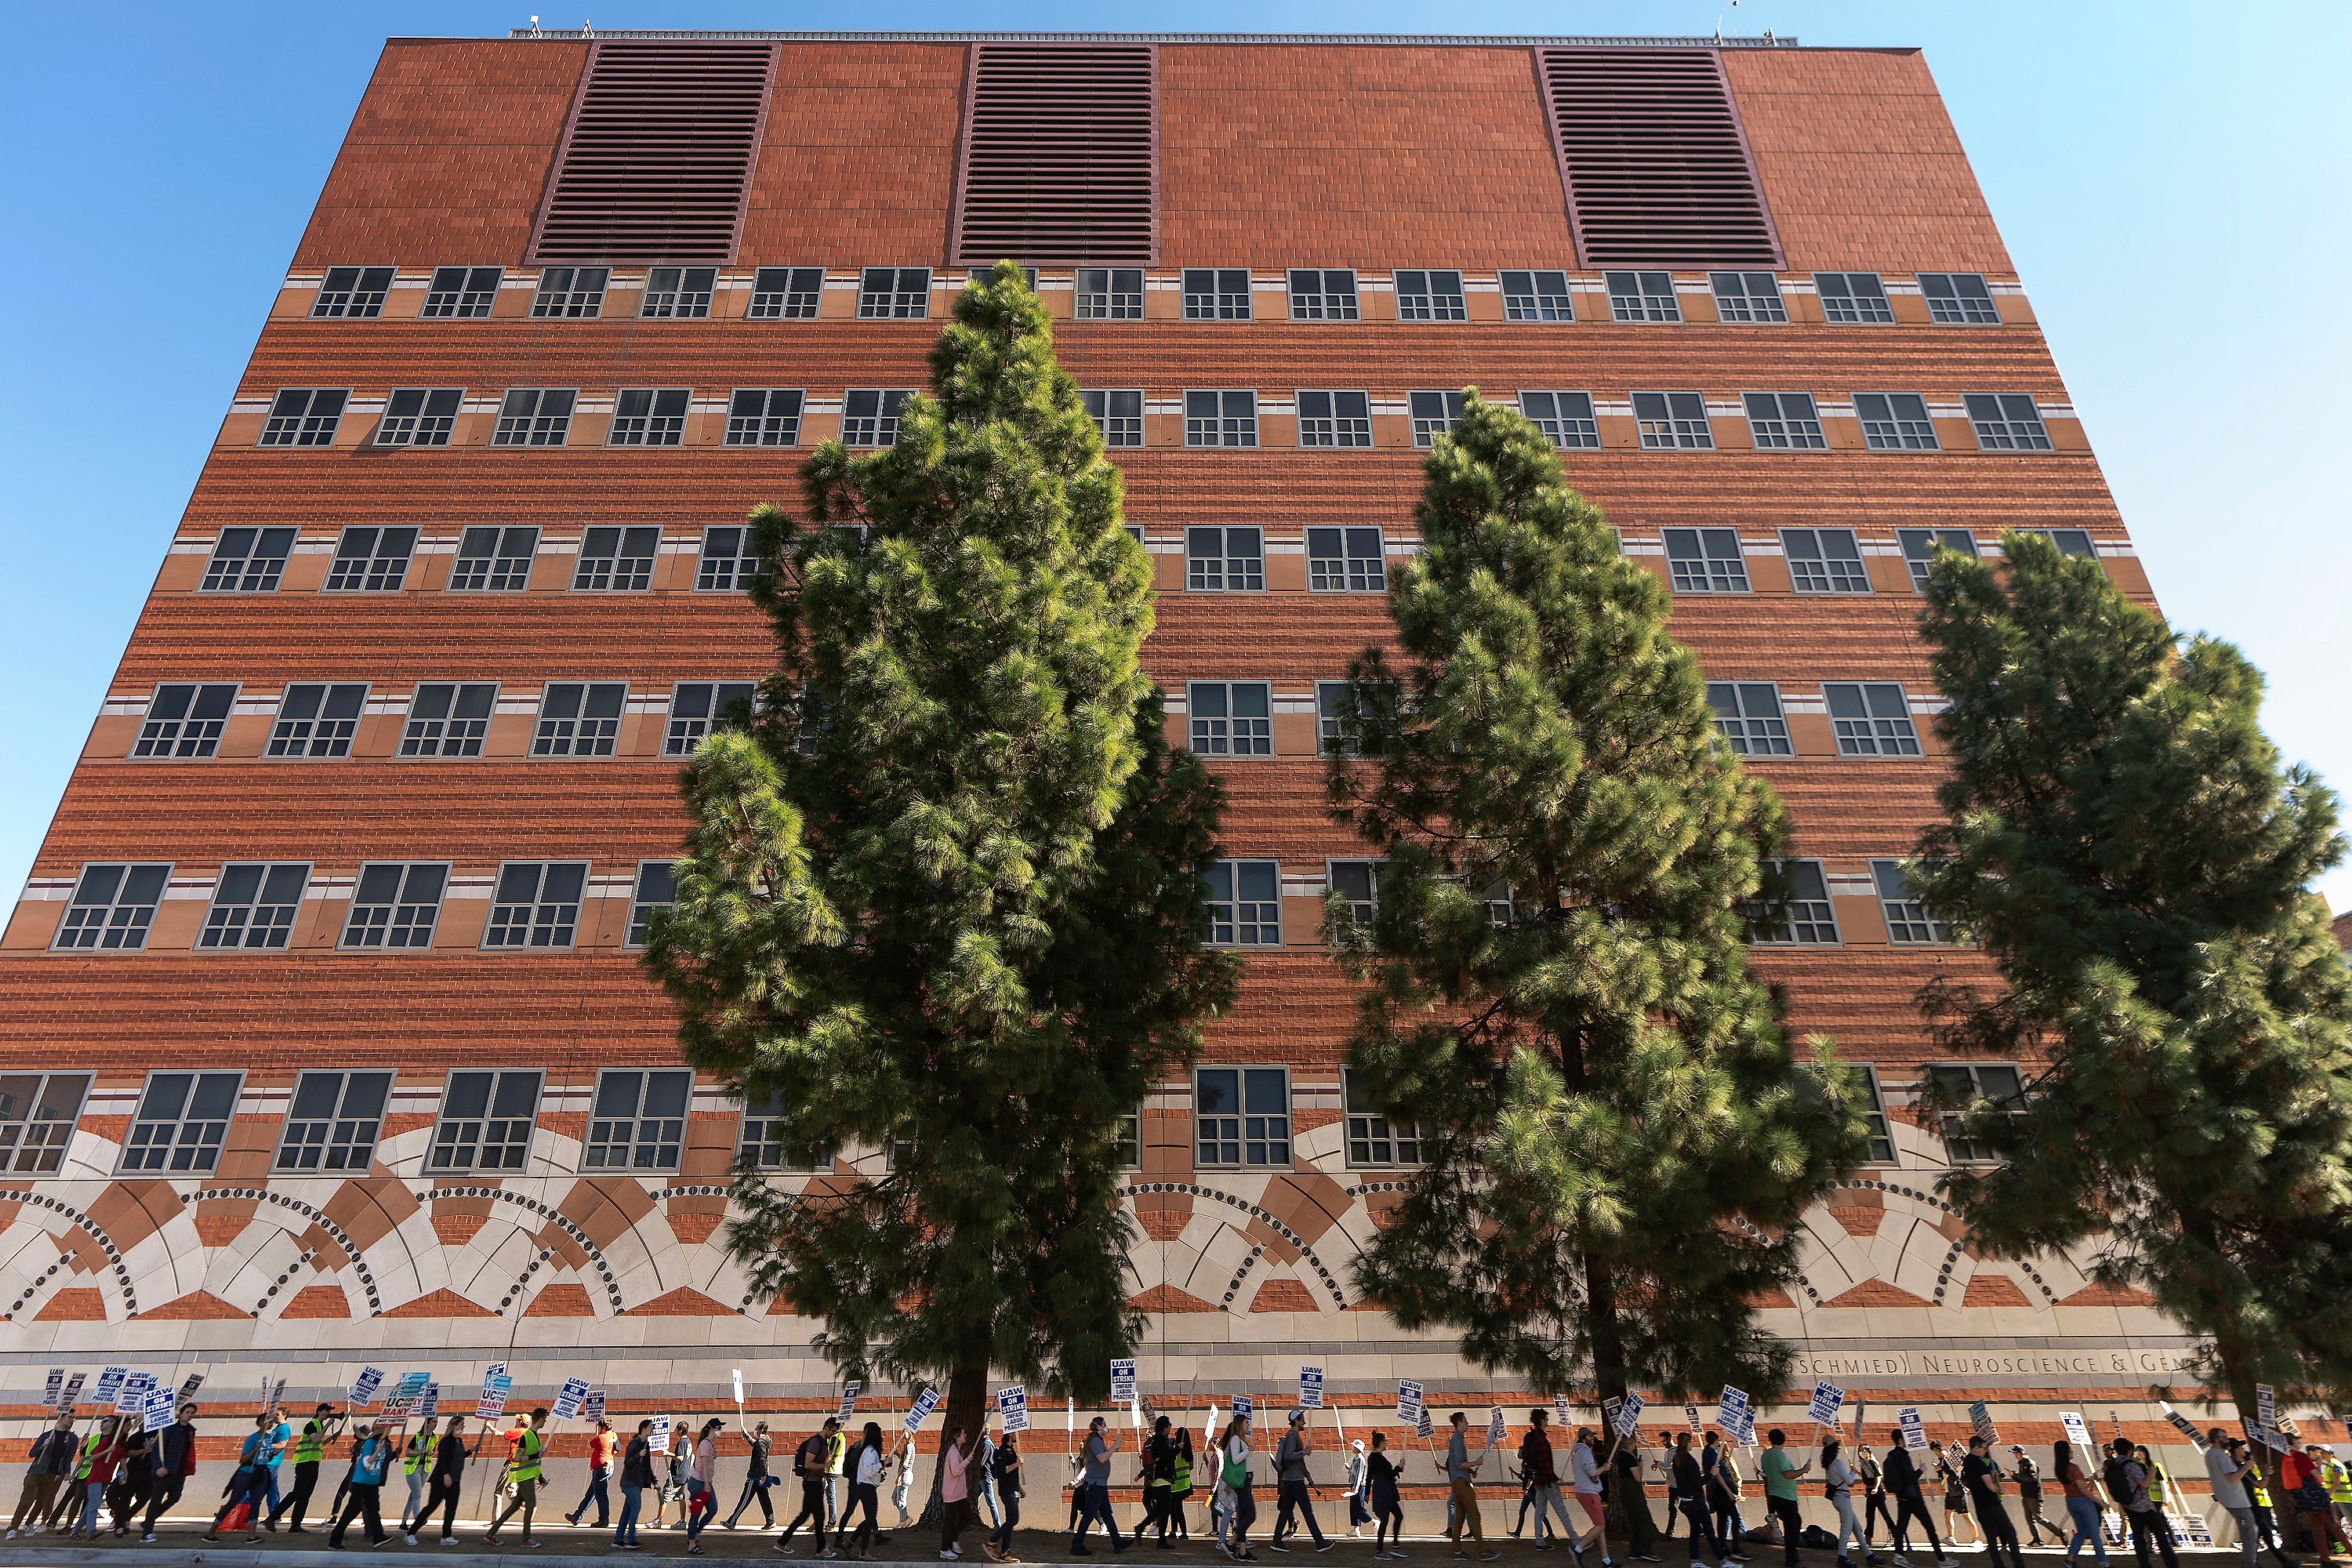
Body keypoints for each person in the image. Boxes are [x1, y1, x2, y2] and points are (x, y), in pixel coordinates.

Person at [2205, 1432, 2283, 1568]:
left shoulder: (2211, 1455)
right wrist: (2245, 1468)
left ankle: (2260, 1561)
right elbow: (2233, 1478)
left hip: (2234, 1500)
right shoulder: (2224, 1458)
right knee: (2250, 1535)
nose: (2226, 1439)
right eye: (2223, 1437)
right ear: (2216, 1439)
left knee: (2255, 1534)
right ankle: (2250, 1564)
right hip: (2239, 1501)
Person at [264, 1402, 344, 1534]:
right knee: (297, 1492)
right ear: (319, 1412)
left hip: (313, 1462)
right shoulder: (312, 1424)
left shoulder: (319, 1425)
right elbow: (315, 1440)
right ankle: (272, 1517)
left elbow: (320, 1443)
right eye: (326, 1411)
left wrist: (333, 1437)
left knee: (305, 1495)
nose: (329, 1413)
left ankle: (296, 1524)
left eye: (329, 1411)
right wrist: (328, 1426)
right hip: (304, 1463)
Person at [205, 1411, 281, 1542]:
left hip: (261, 1473)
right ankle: (211, 1532)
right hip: (247, 1473)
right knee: (234, 1501)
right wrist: (255, 1449)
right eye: (265, 1420)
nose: (269, 1423)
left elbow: (265, 1456)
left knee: (256, 1503)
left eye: (270, 1421)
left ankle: (251, 1535)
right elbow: (243, 1459)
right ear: (259, 1423)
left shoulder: (269, 1438)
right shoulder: (252, 1439)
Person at [2102, 1436, 2177, 1568]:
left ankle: (2144, 1564)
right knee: (2160, 1536)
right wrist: (2151, 1472)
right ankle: (2172, 1564)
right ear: (2129, 1450)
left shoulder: (2113, 1466)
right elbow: (2144, 1484)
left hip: (2128, 1506)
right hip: (2144, 1506)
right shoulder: (2131, 1465)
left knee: (2138, 1537)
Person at [1879, 1432, 1951, 1568]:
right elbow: (1909, 1478)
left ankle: (1899, 1555)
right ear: (1900, 1440)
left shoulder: (1892, 1455)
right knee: (1930, 1527)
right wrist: (1920, 1470)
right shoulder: (1903, 1457)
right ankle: (1942, 1559)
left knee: (1900, 1528)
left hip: (1902, 1497)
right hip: (1913, 1497)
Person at [483, 1407, 552, 1546]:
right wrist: (536, 1456)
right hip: (524, 1477)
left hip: (528, 1476)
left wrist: (540, 1478)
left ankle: (491, 1533)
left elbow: (535, 1462)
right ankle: (526, 1538)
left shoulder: (534, 1437)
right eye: (545, 1419)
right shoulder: (526, 1436)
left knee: (514, 1507)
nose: (545, 1422)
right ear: (540, 1419)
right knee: (531, 1505)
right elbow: (518, 1457)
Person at [1269, 1408, 1330, 1552]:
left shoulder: (1293, 1436)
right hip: (1295, 1481)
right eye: (1302, 1420)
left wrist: (1309, 1477)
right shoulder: (1292, 1436)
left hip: (1292, 1480)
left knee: (1285, 1512)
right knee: (1307, 1511)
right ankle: (1320, 1542)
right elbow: (1290, 1456)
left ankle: (1277, 1541)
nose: (1304, 1422)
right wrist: (1304, 1452)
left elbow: (1299, 1462)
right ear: (1296, 1421)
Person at [1958, 1436, 2024, 1568]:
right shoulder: (1979, 1463)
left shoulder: (1967, 1462)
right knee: (2010, 1532)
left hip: (1980, 1505)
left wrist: (1994, 1476)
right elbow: (1990, 1486)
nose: (1985, 1450)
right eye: (1983, 1448)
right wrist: (1999, 1488)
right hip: (1992, 1504)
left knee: (1991, 1537)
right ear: (1976, 1447)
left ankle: (1998, 1564)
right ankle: (2018, 1563)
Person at [12, 1410, 79, 1538]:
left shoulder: (72, 1438)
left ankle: (29, 1524)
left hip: (52, 1473)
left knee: (42, 1501)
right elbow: (32, 1454)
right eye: (70, 1417)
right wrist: (44, 1445)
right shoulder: (47, 1435)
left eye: (73, 1418)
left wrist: (66, 1471)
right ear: (61, 1418)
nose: (72, 1420)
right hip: (36, 1471)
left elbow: (68, 1457)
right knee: (26, 1500)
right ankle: (13, 1527)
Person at [327, 1422, 393, 1548]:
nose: (389, 1430)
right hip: (361, 1483)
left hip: (372, 1483)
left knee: (374, 1511)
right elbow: (367, 1465)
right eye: (387, 1428)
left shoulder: (384, 1444)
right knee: (351, 1512)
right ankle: (335, 1539)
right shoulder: (370, 1443)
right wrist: (377, 1451)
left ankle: (378, 1537)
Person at [2282, 1442, 2352, 1561]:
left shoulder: (2287, 1457)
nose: (2320, 1454)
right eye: (2320, 1452)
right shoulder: (2301, 1456)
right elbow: (2318, 1476)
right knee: (2334, 1526)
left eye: (2323, 1452)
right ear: (2293, 1441)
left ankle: (2325, 1558)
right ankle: (2347, 1550)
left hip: (2303, 1496)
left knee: (2318, 1528)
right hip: (2318, 1496)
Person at [779, 1418, 839, 1555]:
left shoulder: (824, 1443)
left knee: (804, 1515)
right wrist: (824, 1466)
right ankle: (821, 1549)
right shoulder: (815, 1442)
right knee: (820, 1517)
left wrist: (828, 1461)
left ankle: (782, 1542)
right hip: (811, 1483)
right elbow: (808, 1464)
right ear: (827, 1428)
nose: (833, 1434)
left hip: (815, 1482)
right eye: (833, 1431)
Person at [1445, 1411, 1498, 1562]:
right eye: (1465, 1421)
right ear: (1459, 1423)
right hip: (1461, 1482)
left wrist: (1471, 1470)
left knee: (1459, 1518)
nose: (1467, 1423)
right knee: (1474, 1515)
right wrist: (1475, 1463)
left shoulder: (1457, 1439)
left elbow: (1458, 1465)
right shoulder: (1457, 1440)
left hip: (1460, 1481)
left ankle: (1457, 1551)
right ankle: (1482, 1550)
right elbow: (1458, 1464)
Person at [141, 1405, 199, 1542]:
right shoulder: (170, 1430)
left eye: (192, 1413)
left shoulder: (190, 1431)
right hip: (163, 1473)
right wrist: (159, 1467)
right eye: (187, 1412)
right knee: (155, 1501)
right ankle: (146, 1533)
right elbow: (156, 1451)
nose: (189, 1415)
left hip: (179, 1473)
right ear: (181, 1414)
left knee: (174, 1497)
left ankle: (149, 1520)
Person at [1070, 1414, 1126, 1555]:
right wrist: (1114, 1447)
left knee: (1107, 1514)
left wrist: (1114, 1447)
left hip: (1099, 1484)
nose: (1107, 1427)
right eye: (1105, 1424)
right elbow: (1101, 1458)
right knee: (1090, 1514)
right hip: (1095, 1485)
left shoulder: (1097, 1440)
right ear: (1099, 1426)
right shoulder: (1095, 1440)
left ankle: (1118, 1542)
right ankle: (1076, 1545)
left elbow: (1103, 1456)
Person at [830, 1421, 884, 1560]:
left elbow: (868, 1470)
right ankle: (862, 1551)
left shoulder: (866, 1450)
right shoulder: (870, 1451)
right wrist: (882, 1464)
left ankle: (851, 1544)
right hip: (866, 1487)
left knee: (869, 1519)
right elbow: (867, 1471)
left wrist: (880, 1471)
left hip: (866, 1485)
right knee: (869, 1519)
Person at [2050, 1439, 2108, 1568]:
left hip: (2070, 1502)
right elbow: (2083, 1490)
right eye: (2070, 1450)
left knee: (2081, 1532)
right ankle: (2104, 1562)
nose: (2072, 1452)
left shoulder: (2059, 1469)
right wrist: (2100, 1502)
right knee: (2094, 1534)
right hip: (2083, 1502)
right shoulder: (2073, 1468)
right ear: (2065, 1453)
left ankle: (2070, 1559)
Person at [1671, 1432, 1726, 1568]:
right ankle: (1724, 1562)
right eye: (1691, 1441)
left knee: (1695, 1530)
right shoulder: (1688, 1460)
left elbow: (1688, 1480)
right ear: (1688, 1442)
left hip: (1685, 1501)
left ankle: (1695, 1561)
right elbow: (1697, 1482)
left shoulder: (1678, 1459)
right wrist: (1711, 1475)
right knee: (1709, 1532)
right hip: (1696, 1501)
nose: (1692, 1444)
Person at [1758, 1429, 1810, 1567]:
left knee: (1794, 1522)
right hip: (1785, 1495)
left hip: (1774, 1494)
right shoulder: (1780, 1456)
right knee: (1792, 1526)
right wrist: (1803, 1470)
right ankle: (1792, 1558)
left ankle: (1792, 1554)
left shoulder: (1765, 1456)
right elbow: (1788, 1474)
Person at [68, 1415, 125, 1539]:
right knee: (94, 1504)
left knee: (91, 1505)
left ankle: (75, 1530)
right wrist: (107, 1451)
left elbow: (122, 1458)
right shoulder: (103, 1441)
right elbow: (92, 1457)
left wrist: (125, 1473)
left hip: (106, 1477)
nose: (102, 1423)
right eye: (102, 1421)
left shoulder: (118, 1442)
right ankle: (90, 1531)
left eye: (106, 1421)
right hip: (95, 1475)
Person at [419, 1414, 470, 1544]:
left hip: (455, 1480)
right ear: (454, 1426)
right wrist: (446, 1475)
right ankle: (411, 1532)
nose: (463, 1427)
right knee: (431, 1506)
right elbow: (442, 1459)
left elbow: (458, 1457)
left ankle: (446, 1536)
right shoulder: (447, 1441)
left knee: (451, 1508)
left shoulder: (459, 1441)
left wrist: (470, 1451)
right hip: (441, 1480)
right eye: (461, 1424)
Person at [1612, 1427, 1661, 1563]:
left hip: (1624, 1492)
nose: (1635, 1446)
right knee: (1645, 1520)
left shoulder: (1620, 1457)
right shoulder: (1629, 1458)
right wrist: (1640, 1465)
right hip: (1632, 1492)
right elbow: (1638, 1477)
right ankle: (1646, 1549)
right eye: (1634, 1443)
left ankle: (1634, 1551)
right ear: (1631, 1444)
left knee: (1634, 1521)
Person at [1570, 1428, 1617, 1566]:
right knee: (1601, 1524)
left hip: (1587, 1491)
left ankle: (1606, 1560)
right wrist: (1604, 1468)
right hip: (1588, 1492)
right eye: (1590, 1436)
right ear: (1583, 1438)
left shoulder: (1581, 1452)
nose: (1593, 1438)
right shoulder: (1584, 1452)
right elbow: (1592, 1472)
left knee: (1599, 1526)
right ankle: (1578, 1549)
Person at [941, 1421, 985, 1561]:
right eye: (963, 1434)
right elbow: (955, 1471)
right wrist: (967, 1461)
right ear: (958, 1437)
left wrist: (966, 1460)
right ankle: (944, 1549)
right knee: (949, 1522)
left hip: (959, 1494)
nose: (965, 1436)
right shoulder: (953, 1452)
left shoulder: (956, 1451)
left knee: (967, 1516)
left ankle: (953, 1540)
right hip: (952, 1494)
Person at [1701, 1433, 1748, 1562]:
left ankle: (1722, 1546)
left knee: (1722, 1519)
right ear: (1716, 1440)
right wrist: (1728, 1491)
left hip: (1715, 1491)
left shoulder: (1708, 1453)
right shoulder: (1711, 1454)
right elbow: (1717, 1475)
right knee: (1735, 1517)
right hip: (1720, 1490)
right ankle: (1736, 1548)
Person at [1220, 1413, 1259, 1561]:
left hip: (1245, 1480)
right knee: (1250, 1516)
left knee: (1243, 1515)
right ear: (1239, 1424)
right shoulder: (1236, 1439)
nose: (1248, 1425)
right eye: (1246, 1423)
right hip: (1243, 1481)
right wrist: (1248, 1450)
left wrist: (1249, 1449)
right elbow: (1236, 1460)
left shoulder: (1241, 1440)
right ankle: (1231, 1542)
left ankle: (1243, 1552)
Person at [1364, 1431, 1406, 1561]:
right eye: (1385, 1441)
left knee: (1396, 1516)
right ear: (1381, 1443)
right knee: (1387, 1519)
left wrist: (1367, 1493)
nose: (1387, 1443)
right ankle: (1380, 1550)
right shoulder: (1378, 1458)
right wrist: (1399, 1467)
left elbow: (1369, 1477)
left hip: (1382, 1489)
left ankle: (1393, 1546)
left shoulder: (1373, 1457)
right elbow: (1389, 1474)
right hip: (1384, 1490)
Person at [571, 1414, 618, 1530]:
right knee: (591, 1494)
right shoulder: (614, 1435)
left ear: (603, 1427)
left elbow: (588, 1445)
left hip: (601, 1469)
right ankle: (576, 1517)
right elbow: (617, 1448)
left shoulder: (601, 1438)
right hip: (609, 1467)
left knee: (601, 1495)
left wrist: (597, 1437)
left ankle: (603, 1520)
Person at [684, 1417, 724, 1554]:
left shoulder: (709, 1444)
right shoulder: (706, 1444)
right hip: (699, 1482)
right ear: (712, 1429)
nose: (720, 1431)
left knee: (713, 1509)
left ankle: (695, 1534)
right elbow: (705, 1466)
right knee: (696, 1513)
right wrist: (707, 1485)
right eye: (718, 1428)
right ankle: (691, 1544)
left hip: (704, 1482)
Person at [729, 1417, 778, 1529]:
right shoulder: (764, 1441)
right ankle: (770, 1521)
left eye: (756, 1428)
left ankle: (732, 1521)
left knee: (745, 1499)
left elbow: (762, 1458)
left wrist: (763, 1474)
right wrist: (746, 1434)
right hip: (761, 1476)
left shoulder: (761, 1443)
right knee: (765, 1499)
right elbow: (755, 1445)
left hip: (756, 1476)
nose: (755, 1430)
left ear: (761, 1430)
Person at [615, 1419, 655, 1549]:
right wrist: (638, 1455)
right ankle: (631, 1539)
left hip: (637, 1483)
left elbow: (646, 1466)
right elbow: (627, 1462)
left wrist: (653, 1480)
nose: (652, 1429)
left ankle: (618, 1539)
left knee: (627, 1511)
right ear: (643, 1428)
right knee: (636, 1508)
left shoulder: (646, 1445)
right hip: (629, 1482)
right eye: (650, 1427)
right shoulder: (635, 1443)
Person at [2005, 1446, 2056, 1548]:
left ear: (2022, 1453)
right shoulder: (2022, 1464)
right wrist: (2014, 1476)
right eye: (2014, 1453)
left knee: (2039, 1519)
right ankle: (2037, 1540)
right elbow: (2022, 1480)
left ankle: (2060, 1533)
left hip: (2034, 1496)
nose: (2015, 1455)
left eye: (2017, 1453)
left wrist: (2016, 1474)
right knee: (2030, 1519)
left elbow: (2032, 1478)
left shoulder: (2030, 1463)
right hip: (2026, 1495)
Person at [397, 1416, 439, 1537]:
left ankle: (403, 1522)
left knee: (413, 1496)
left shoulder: (435, 1437)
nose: (435, 1424)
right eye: (433, 1422)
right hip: (413, 1468)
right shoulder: (417, 1436)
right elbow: (407, 1452)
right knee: (417, 1495)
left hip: (425, 1469)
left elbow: (432, 1451)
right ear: (427, 1423)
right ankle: (418, 1517)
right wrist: (418, 1452)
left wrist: (431, 1453)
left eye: (436, 1422)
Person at [988, 1431, 1025, 1563]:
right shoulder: (1003, 1450)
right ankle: (992, 1542)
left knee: (1010, 1522)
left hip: (1013, 1490)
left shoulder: (1011, 1450)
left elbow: (1012, 1474)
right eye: (1016, 1433)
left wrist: (1020, 1489)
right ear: (1010, 1435)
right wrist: (1017, 1463)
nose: (1018, 1436)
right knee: (1013, 1520)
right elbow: (1002, 1471)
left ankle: (1004, 1552)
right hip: (1007, 1491)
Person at [1929, 1442, 1973, 1548]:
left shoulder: (1951, 1460)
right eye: (1934, 1453)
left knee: (1966, 1515)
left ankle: (1976, 1538)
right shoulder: (1942, 1461)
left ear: (1941, 1449)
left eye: (1936, 1452)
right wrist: (1939, 1470)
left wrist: (1942, 1468)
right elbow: (1943, 1476)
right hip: (1949, 1492)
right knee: (1947, 1514)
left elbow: (1955, 1474)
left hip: (1958, 1491)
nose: (1937, 1454)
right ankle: (1951, 1537)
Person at [1142, 1415, 1179, 1544]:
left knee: (1160, 1509)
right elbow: (1166, 1457)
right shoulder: (1160, 1439)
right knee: (1165, 1510)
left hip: (1162, 1479)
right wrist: (1177, 1449)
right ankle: (1161, 1539)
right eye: (1169, 1425)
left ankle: (1143, 1528)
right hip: (1161, 1478)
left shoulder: (1160, 1439)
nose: (1170, 1427)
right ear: (1165, 1426)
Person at [1858, 1446, 1895, 1552]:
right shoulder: (1864, 1464)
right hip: (1869, 1491)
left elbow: (1878, 1476)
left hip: (1877, 1491)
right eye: (1860, 1451)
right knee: (1869, 1515)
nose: (1862, 1453)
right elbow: (1867, 1477)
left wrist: (1875, 1488)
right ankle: (1868, 1538)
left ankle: (1896, 1535)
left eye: (1864, 1451)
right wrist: (1856, 1471)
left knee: (1885, 1514)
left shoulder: (1871, 1462)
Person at [1171, 1426, 1196, 1543]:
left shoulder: (1177, 1450)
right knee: (1177, 1509)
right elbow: (1190, 1467)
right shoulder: (1188, 1451)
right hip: (1185, 1484)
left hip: (1176, 1484)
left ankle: (1180, 1532)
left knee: (1175, 1509)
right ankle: (1176, 1531)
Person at [1345, 1439, 1371, 1539]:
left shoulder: (1360, 1459)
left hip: (1359, 1486)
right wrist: (1349, 1468)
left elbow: (1360, 1475)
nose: (1352, 1447)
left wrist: (1355, 1488)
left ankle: (1374, 1522)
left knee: (1359, 1507)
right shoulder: (1356, 1459)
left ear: (1357, 1448)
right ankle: (1356, 1529)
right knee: (1353, 1507)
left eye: (1353, 1446)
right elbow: (1354, 1472)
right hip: (1355, 1485)